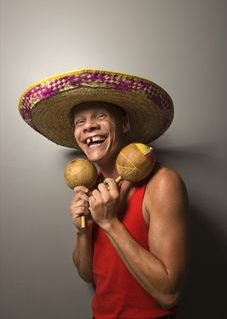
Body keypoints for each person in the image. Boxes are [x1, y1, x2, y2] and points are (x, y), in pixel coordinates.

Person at [19, 69, 189, 319]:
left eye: (100, 116)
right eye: (80, 122)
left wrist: (109, 223)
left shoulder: (162, 183)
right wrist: (82, 230)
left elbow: (169, 294)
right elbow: (87, 274)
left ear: (125, 124)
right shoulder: (91, 187)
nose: (89, 126)